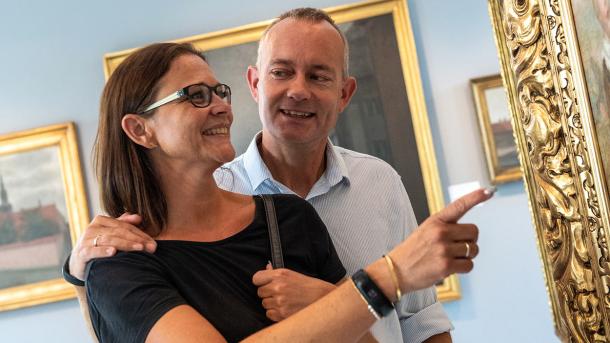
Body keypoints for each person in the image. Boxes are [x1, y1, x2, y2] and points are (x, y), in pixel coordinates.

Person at [66, 8, 494, 343]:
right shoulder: (126, 257)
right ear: (256, 84)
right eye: (281, 72)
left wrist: (329, 301)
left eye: (319, 76)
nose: (299, 90)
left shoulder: (304, 210)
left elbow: (419, 323)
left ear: (344, 94)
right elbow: (118, 322)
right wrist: (80, 273)